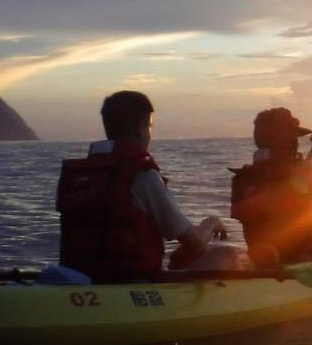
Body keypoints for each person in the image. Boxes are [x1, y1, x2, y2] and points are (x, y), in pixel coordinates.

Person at [55, 90, 227, 283]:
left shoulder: (83, 175)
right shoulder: (143, 175)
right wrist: (211, 222)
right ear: (140, 128)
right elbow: (195, 244)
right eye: (150, 126)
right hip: (129, 285)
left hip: (78, 282)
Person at [229, 107, 312, 265]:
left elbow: (239, 213)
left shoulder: (242, 178)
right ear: (286, 140)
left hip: (266, 262)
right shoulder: (303, 170)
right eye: (293, 137)